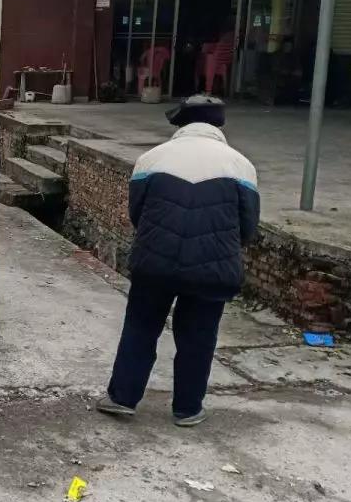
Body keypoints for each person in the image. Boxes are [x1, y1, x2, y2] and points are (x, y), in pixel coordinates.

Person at [97, 95, 259, 427]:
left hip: (155, 264)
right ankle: (187, 409)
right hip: (213, 268)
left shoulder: (151, 159)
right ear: (218, 125)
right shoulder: (241, 165)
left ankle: (122, 398)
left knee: (141, 328)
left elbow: (137, 213)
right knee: (199, 337)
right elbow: (248, 225)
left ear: (180, 123)